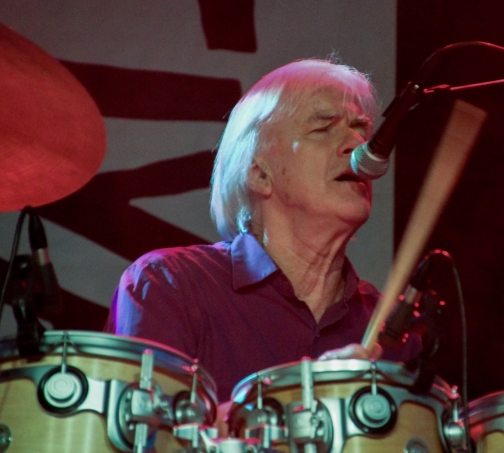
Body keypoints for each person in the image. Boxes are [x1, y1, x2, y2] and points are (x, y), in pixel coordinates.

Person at [104, 59, 420, 404]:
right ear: (259, 174)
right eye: (322, 129)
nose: (358, 145)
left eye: (361, 130)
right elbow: (146, 427)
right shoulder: (169, 285)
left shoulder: (391, 331)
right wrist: (299, 401)